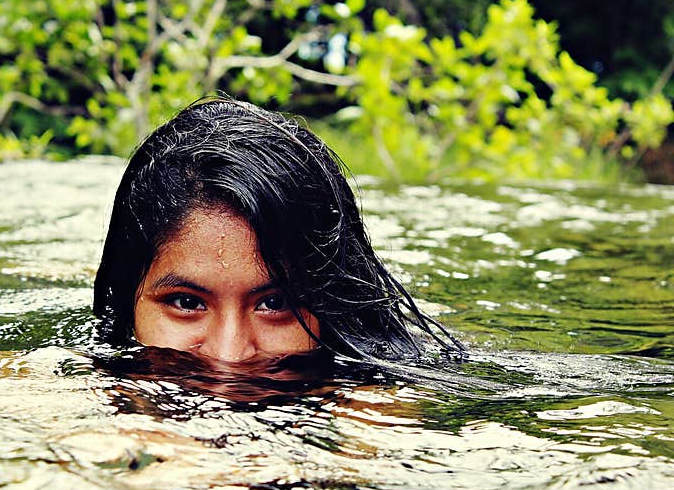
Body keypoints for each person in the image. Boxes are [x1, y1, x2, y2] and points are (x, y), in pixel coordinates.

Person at [92, 97, 464, 368]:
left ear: (329, 309)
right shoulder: (68, 375)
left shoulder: (375, 394)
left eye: (275, 303)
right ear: (128, 302)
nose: (230, 355)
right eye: (187, 303)